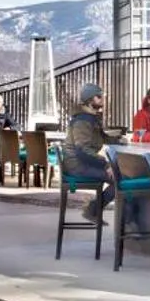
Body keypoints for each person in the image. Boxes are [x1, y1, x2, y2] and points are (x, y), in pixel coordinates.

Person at [60, 81, 115, 221]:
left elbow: (102, 137)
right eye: (99, 96)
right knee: (121, 179)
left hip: (81, 163)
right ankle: (93, 209)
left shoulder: (91, 118)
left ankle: (94, 209)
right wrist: (106, 164)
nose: (103, 99)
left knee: (120, 175)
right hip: (77, 165)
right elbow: (82, 150)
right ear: (90, 100)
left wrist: (122, 141)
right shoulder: (83, 120)